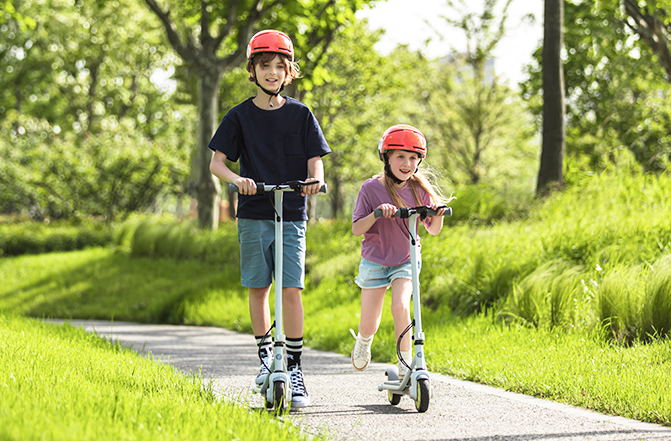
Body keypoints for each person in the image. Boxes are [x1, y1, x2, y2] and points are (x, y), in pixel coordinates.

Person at [208, 29, 331, 408]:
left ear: (288, 71)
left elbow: (316, 164)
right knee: (259, 288)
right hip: (254, 212)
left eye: (280, 66)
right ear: (253, 70)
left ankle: (293, 367)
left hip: (292, 213)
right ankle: (266, 359)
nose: (272, 73)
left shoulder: (302, 114)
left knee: (291, 289)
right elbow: (216, 164)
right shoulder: (239, 117)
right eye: (265, 66)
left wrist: (315, 182)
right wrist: (238, 180)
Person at [350, 124, 448, 379]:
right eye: (400, 157)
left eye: (413, 158)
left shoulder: (419, 190)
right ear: (386, 157)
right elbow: (357, 229)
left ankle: (406, 362)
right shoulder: (370, 188)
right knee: (370, 322)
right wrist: (376, 213)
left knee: (401, 306)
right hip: (374, 261)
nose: (407, 163)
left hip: (406, 260)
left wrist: (437, 214)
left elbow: (433, 230)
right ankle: (363, 339)